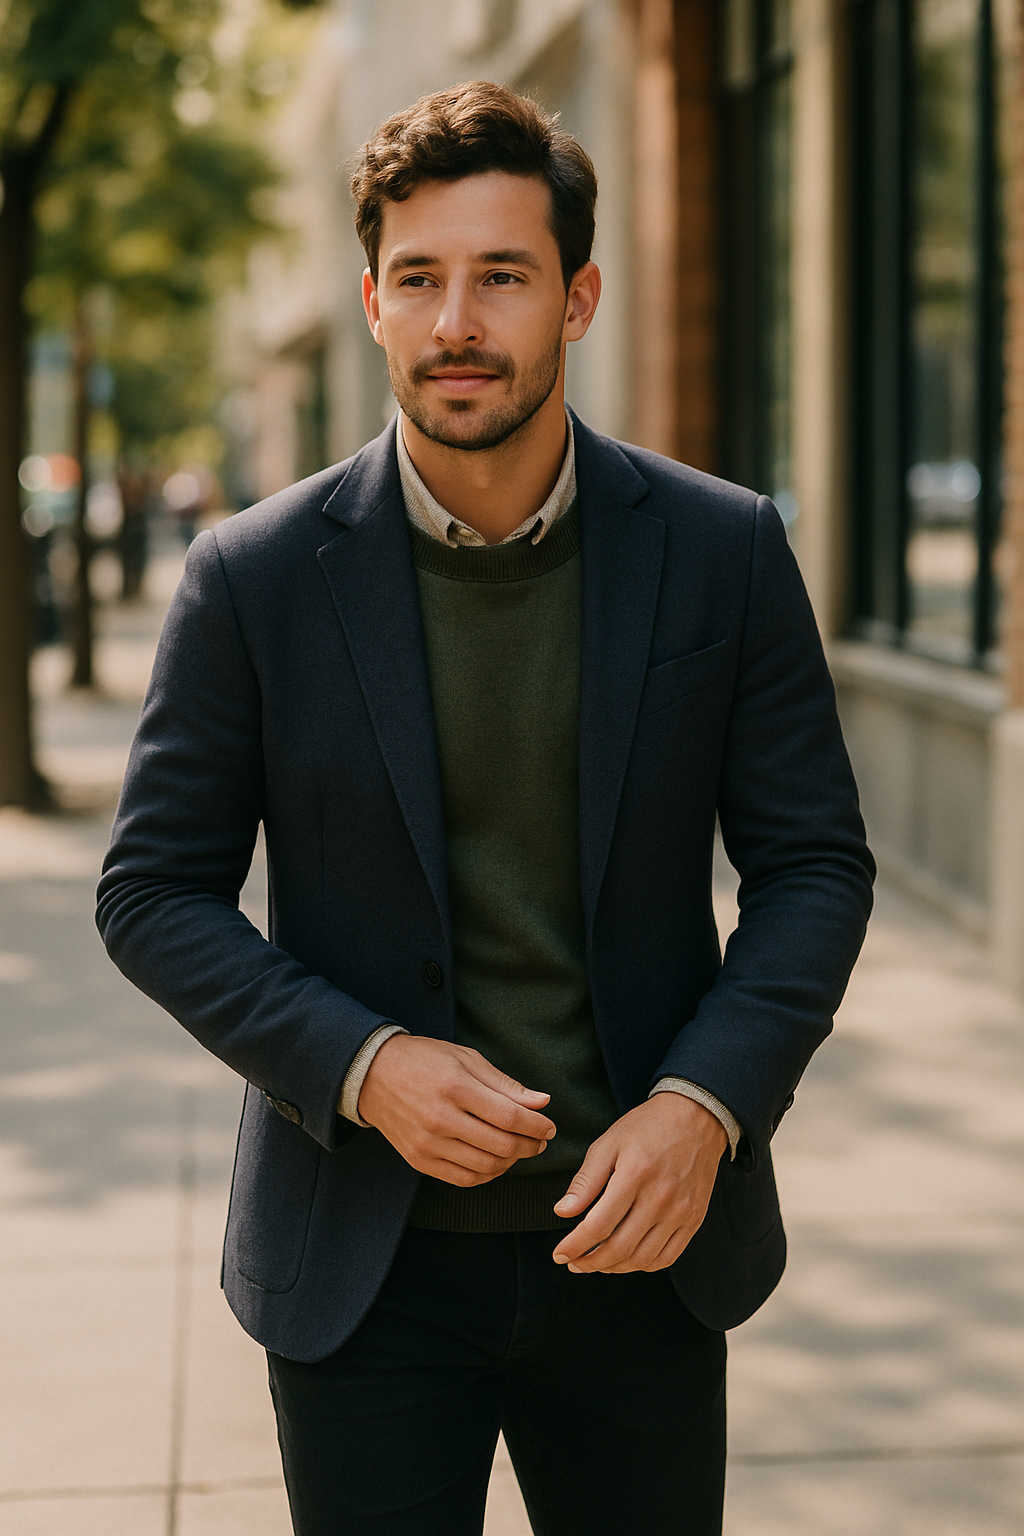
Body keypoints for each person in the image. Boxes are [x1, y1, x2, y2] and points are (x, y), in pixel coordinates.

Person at [96, 80, 874, 1536]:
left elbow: (816, 866)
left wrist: (706, 1110)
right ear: (376, 304)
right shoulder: (252, 580)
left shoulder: (723, 551)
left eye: (502, 276)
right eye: (420, 280)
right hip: (362, 1267)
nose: (460, 320)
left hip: (642, 1244)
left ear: (577, 300)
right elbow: (152, 894)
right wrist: (364, 1060)